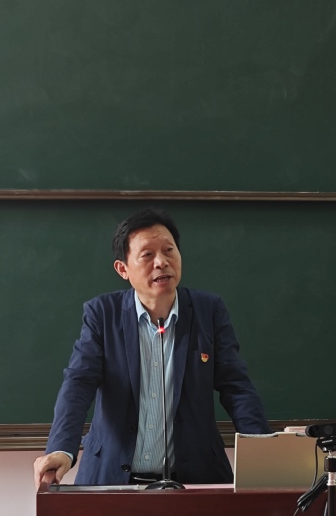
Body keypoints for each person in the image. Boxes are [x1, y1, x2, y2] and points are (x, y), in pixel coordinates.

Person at [33, 207, 272, 488]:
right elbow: (78, 383)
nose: (161, 262)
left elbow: (236, 386)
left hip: (196, 479)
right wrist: (61, 449)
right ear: (123, 269)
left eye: (169, 250)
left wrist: (263, 450)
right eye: (147, 255)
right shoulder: (102, 314)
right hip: (113, 479)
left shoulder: (209, 310)